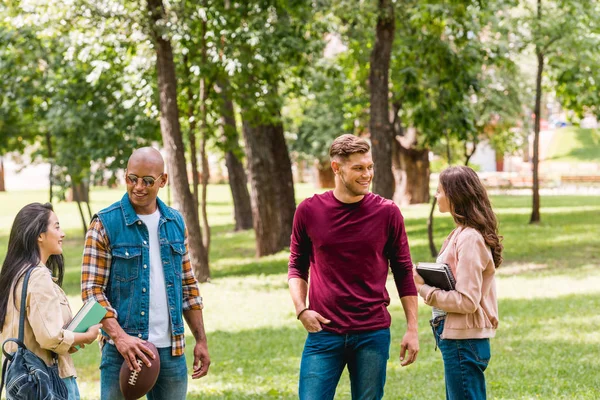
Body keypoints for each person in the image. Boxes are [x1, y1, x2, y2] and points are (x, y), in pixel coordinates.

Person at [288, 134, 419, 400]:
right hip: (324, 333)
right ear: (337, 168)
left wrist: (412, 328)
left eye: (369, 167)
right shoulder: (309, 211)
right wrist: (301, 309)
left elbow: (404, 271)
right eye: (358, 168)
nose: (366, 174)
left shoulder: (387, 213)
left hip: (372, 332)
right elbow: (297, 267)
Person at [81, 147, 210, 400]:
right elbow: (91, 292)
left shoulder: (175, 222)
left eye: (148, 181)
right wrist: (120, 338)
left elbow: (188, 287)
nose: (138, 186)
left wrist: (201, 340)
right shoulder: (105, 224)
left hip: (171, 350)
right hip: (121, 352)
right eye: (132, 178)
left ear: (163, 180)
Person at [413, 165, 502, 400]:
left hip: (464, 341)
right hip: (457, 338)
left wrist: (423, 288)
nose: (436, 196)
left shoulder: (469, 238)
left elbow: (467, 301)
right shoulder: (459, 234)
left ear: (455, 195)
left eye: (439, 191)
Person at [0, 203, 101, 400]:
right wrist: (87, 336)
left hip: (23, 383)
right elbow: (50, 337)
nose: (62, 233)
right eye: (56, 227)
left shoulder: (14, 274)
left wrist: (70, 339)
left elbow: (39, 334)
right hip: (48, 383)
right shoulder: (38, 277)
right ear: (39, 235)